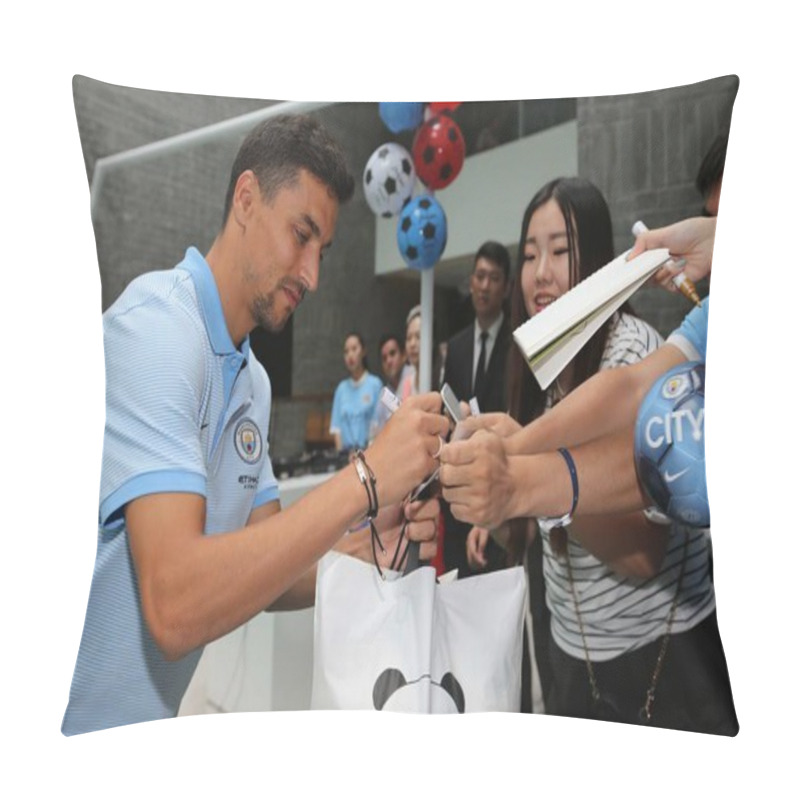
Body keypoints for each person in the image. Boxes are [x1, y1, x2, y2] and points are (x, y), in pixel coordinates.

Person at [62, 114, 449, 736]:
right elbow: (176, 608)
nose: (312, 275)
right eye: (302, 234)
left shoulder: (253, 381)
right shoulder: (159, 330)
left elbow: (271, 568)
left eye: (321, 250)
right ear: (246, 199)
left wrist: (371, 541)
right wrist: (367, 476)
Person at [464, 179, 729, 732]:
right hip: (574, 652)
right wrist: (503, 506)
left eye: (560, 251)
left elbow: (639, 554)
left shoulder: (631, 349)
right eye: (530, 253)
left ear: (601, 260)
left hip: (659, 656)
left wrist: (518, 469)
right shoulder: (544, 363)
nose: (540, 272)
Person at [440, 240, 511, 576]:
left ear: (506, 287)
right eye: (479, 276)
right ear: (470, 282)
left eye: (494, 278)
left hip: (502, 483)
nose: (484, 285)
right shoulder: (455, 348)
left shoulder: (519, 345)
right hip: (458, 491)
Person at [329, 332, 382, 451]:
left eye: (354, 349)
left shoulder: (375, 384)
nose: (350, 355)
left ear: (363, 351)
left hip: (369, 453)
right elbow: (336, 430)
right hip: (346, 456)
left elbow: (379, 424)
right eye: (346, 351)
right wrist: (341, 458)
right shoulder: (341, 389)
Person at [369, 333, 412, 438]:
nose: (388, 361)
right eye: (384, 358)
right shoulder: (384, 394)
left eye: (392, 354)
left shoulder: (414, 378)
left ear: (404, 355)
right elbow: (374, 432)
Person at [399, 305, 422, 399]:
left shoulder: (442, 376)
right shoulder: (407, 382)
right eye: (409, 338)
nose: (412, 344)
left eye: (418, 336)